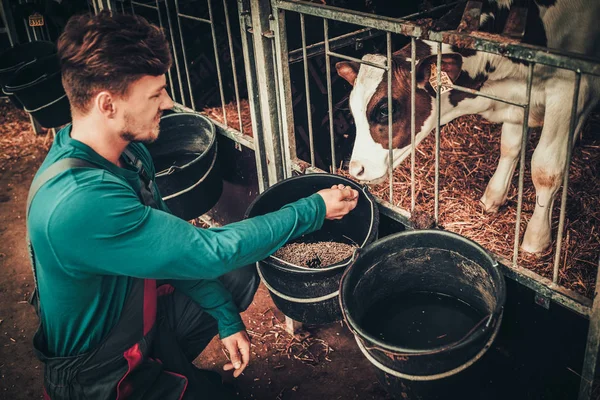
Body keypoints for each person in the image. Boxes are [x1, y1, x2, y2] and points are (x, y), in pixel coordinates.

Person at [26, 11, 359, 400]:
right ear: (107, 104)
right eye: (154, 94)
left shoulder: (126, 154)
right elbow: (209, 252)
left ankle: (172, 368)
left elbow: (171, 252)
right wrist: (314, 208)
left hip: (140, 318)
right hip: (99, 372)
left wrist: (225, 318)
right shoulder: (80, 201)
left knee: (236, 275)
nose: (167, 104)